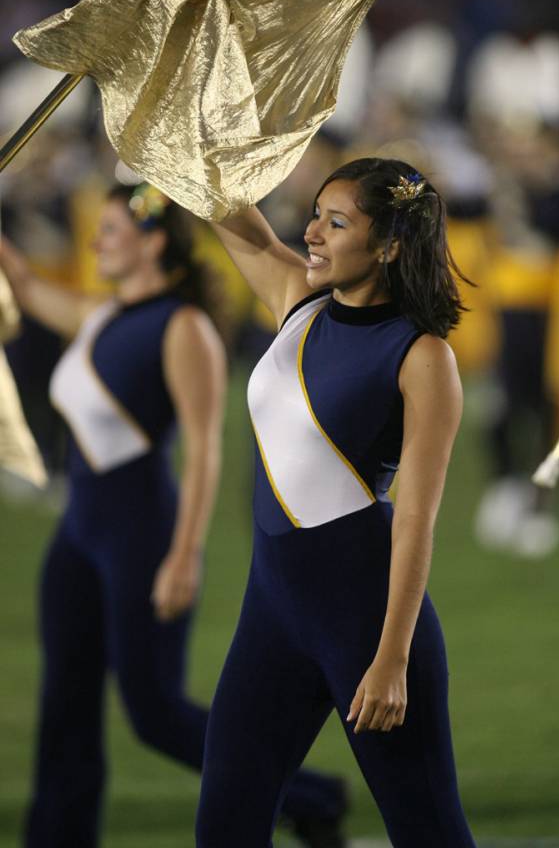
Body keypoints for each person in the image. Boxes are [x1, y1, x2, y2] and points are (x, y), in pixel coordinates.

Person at [0, 182, 348, 848]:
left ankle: (309, 796)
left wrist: (183, 554)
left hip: (143, 537)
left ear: (152, 240)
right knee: (63, 703)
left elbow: (205, 447)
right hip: (77, 535)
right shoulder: (100, 316)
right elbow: (20, 281)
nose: (96, 241)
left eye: (109, 230)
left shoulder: (183, 326)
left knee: (154, 712)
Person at [196, 158, 477, 847]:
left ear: (388, 246)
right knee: (225, 830)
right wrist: (156, 115)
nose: (312, 232)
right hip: (271, 617)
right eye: (315, 214)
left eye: (336, 221)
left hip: (365, 624)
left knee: (428, 832)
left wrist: (391, 658)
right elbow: (221, 206)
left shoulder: (421, 355)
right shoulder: (298, 296)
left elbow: (414, 518)